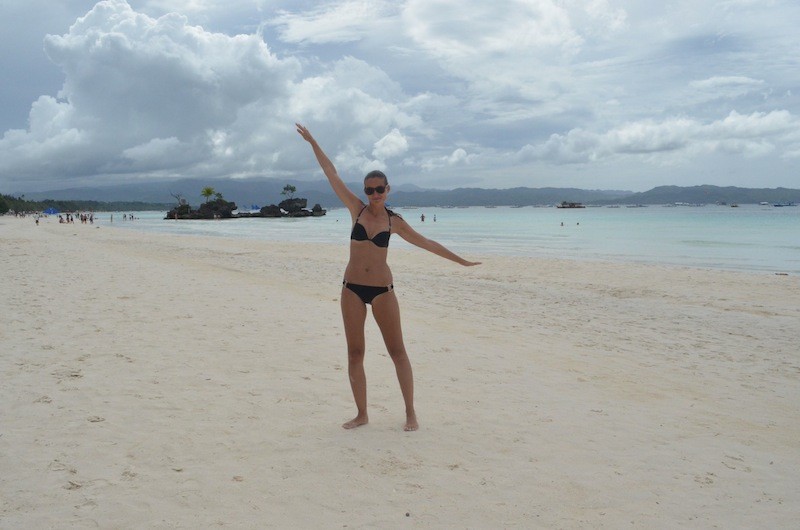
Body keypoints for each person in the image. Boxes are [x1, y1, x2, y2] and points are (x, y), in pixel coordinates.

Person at [296, 123, 481, 431]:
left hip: (383, 291)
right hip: (351, 289)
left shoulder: (395, 222)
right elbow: (331, 173)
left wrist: (460, 261)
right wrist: (313, 141)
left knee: (398, 352)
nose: (374, 194)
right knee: (355, 353)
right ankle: (362, 414)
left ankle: (410, 413)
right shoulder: (356, 210)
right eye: (369, 190)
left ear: (388, 190)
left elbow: (427, 243)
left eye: (379, 189)